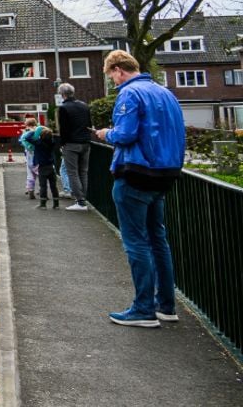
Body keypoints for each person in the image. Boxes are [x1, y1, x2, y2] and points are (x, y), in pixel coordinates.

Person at [95, 50, 186, 328]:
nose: (113, 82)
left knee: (136, 242)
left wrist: (104, 134)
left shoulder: (129, 94)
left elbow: (125, 134)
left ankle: (143, 309)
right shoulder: (165, 93)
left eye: (112, 76)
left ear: (119, 69)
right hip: (165, 173)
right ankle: (166, 305)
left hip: (136, 173)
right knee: (158, 239)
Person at [56, 83, 93, 211]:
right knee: (83, 171)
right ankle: (84, 199)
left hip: (71, 144)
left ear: (62, 94)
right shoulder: (84, 105)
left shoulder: (64, 108)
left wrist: (62, 144)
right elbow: (89, 124)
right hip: (85, 143)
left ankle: (80, 201)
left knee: (72, 172)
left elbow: (64, 129)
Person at [26, 126, 60, 209]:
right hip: (51, 167)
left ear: (41, 136)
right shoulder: (52, 143)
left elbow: (27, 137)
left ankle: (43, 204)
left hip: (42, 167)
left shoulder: (38, 142)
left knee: (43, 186)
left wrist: (34, 131)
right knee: (53, 186)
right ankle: (56, 204)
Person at [19, 117, 40, 197]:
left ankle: (30, 189)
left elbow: (21, 141)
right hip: (38, 156)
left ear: (27, 125)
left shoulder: (26, 133)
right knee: (40, 174)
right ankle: (42, 189)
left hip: (29, 156)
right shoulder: (38, 132)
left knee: (30, 174)